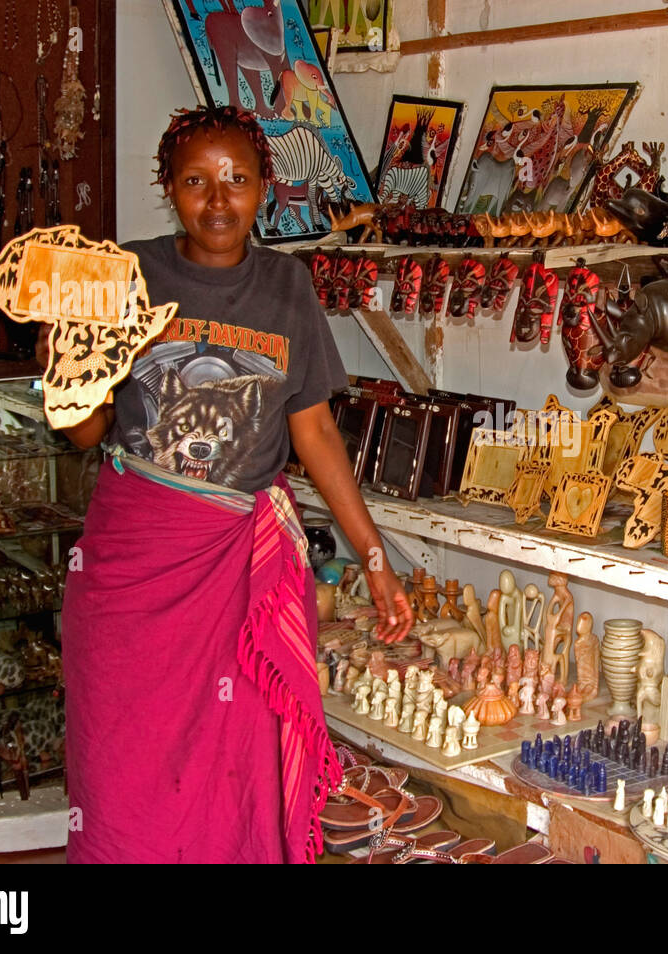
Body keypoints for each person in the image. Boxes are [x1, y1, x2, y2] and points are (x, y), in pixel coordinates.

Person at [57, 105, 413, 863]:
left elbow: (313, 432)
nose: (218, 202)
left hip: (235, 575)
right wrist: (77, 359)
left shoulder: (287, 288)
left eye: (236, 181)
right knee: (121, 766)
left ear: (264, 188)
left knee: (236, 761)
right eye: (195, 182)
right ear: (168, 188)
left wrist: (374, 556)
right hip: (132, 566)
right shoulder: (124, 275)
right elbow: (83, 434)